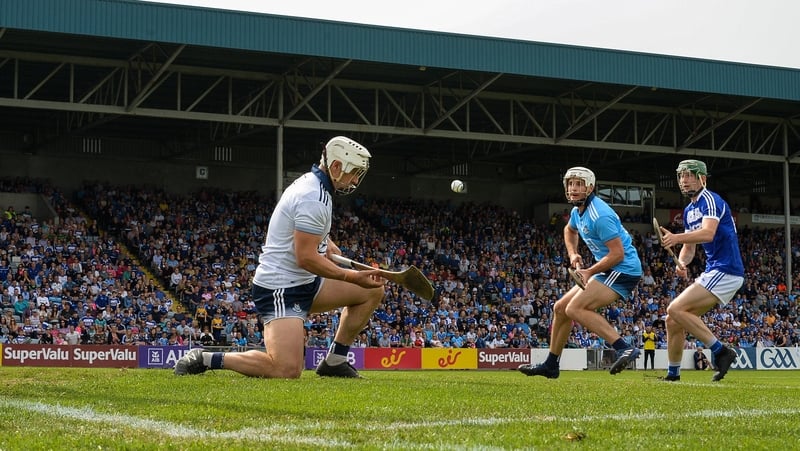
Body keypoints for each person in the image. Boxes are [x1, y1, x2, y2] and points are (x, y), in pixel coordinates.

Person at [174, 136, 385, 378]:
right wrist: (353, 277)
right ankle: (206, 357)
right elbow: (305, 258)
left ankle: (335, 361)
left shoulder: (315, 185)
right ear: (336, 167)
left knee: (373, 291)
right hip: (281, 288)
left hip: (306, 282)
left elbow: (300, 232)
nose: (356, 180)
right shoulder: (313, 197)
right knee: (286, 369)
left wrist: (326, 243)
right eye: (353, 172)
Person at [518, 166, 643, 378]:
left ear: (590, 187)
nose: (573, 189)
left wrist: (589, 271)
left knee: (575, 309)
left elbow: (617, 255)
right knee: (560, 308)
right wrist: (573, 254)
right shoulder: (578, 212)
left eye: (579, 184)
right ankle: (551, 364)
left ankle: (624, 347)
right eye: (570, 184)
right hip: (606, 269)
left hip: (623, 270)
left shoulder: (599, 215)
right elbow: (569, 230)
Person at [657, 159, 742, 382]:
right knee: (672, 320)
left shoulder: (711, 200)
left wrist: (675, 237)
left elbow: (708, 233)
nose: (684, 181)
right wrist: (682, 262)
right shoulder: (688, 210)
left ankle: (721, 351)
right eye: (681, 177)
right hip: (714, 270)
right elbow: (689, 247)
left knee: (675, 308)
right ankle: (673, 374)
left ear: (702, 178)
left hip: (726, 269)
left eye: (689, 176)